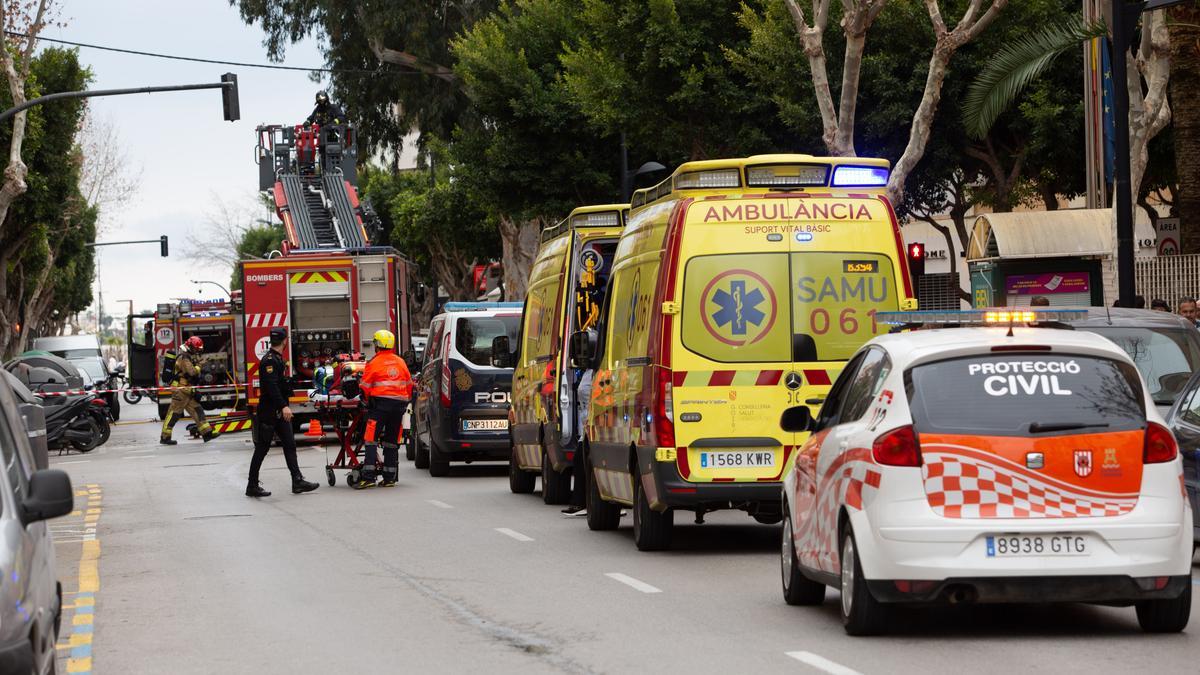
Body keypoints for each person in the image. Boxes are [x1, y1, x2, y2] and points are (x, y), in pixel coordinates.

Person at [246, 328, 319, 497]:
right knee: (262, 448)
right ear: (284, 341)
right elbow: (271, 387)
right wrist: (283, 406)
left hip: (278, 411)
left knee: (289, 444)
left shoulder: (277, 358)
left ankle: (297, 481)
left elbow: (278, 385)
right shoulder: (270, 361)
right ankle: (252, 485)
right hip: (270, 411)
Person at [354, 330, 412, 489]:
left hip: (380, 406)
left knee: (371, 439)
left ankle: (368, 477)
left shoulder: (374, 363)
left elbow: (365, 387)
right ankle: (389, 478)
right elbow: (409, 385)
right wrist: (404, 402)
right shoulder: (400, 362)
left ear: (377, 345)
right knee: (391, 442)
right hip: (399, 406)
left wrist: (366, 401)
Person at [160, 336, 216, 445]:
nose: (196, 351)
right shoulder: (184, 357)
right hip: (181, 391)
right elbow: (192, 372)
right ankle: (165, 437)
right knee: (174, 415)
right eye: (195, 349)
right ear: (190, 346)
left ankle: (207, 433)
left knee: (198, 410)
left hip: (186, 389)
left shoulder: (187, 356)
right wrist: (200, 365)